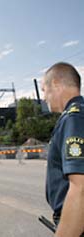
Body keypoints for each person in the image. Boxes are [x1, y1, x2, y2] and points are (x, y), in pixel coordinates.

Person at [41, 62, 84, 237]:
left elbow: (80, 187)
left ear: (56, 84)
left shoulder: (73, 119)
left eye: (44, 90)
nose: (44, 97)